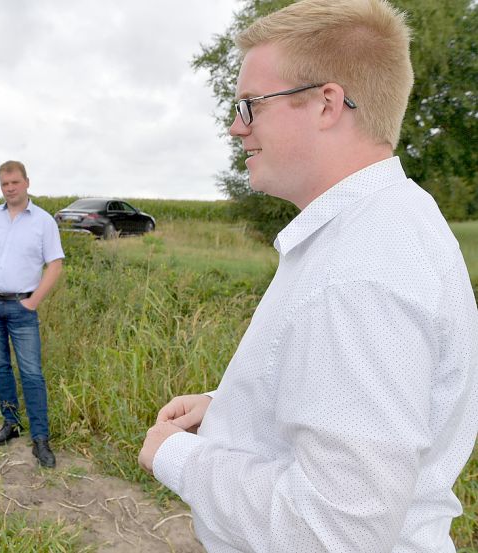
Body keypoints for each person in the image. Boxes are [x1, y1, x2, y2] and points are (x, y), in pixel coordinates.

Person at [138, 1, 478, 551]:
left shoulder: (360, 274)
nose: (235, 125)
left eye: (250, 104)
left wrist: (176, 456)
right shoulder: (383, 223)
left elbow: (334, 532)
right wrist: (228, 412)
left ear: (326, 104)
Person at [0, 160, 64, 468]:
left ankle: (40, 439)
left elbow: (56, 264)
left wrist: (33, 301)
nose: (9, 188)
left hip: (23, 308)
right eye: (4, 184)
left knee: (32, 373)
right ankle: (10, 424)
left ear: (26, 183)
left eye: (14, 183)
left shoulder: (43, 221)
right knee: (0, 368)